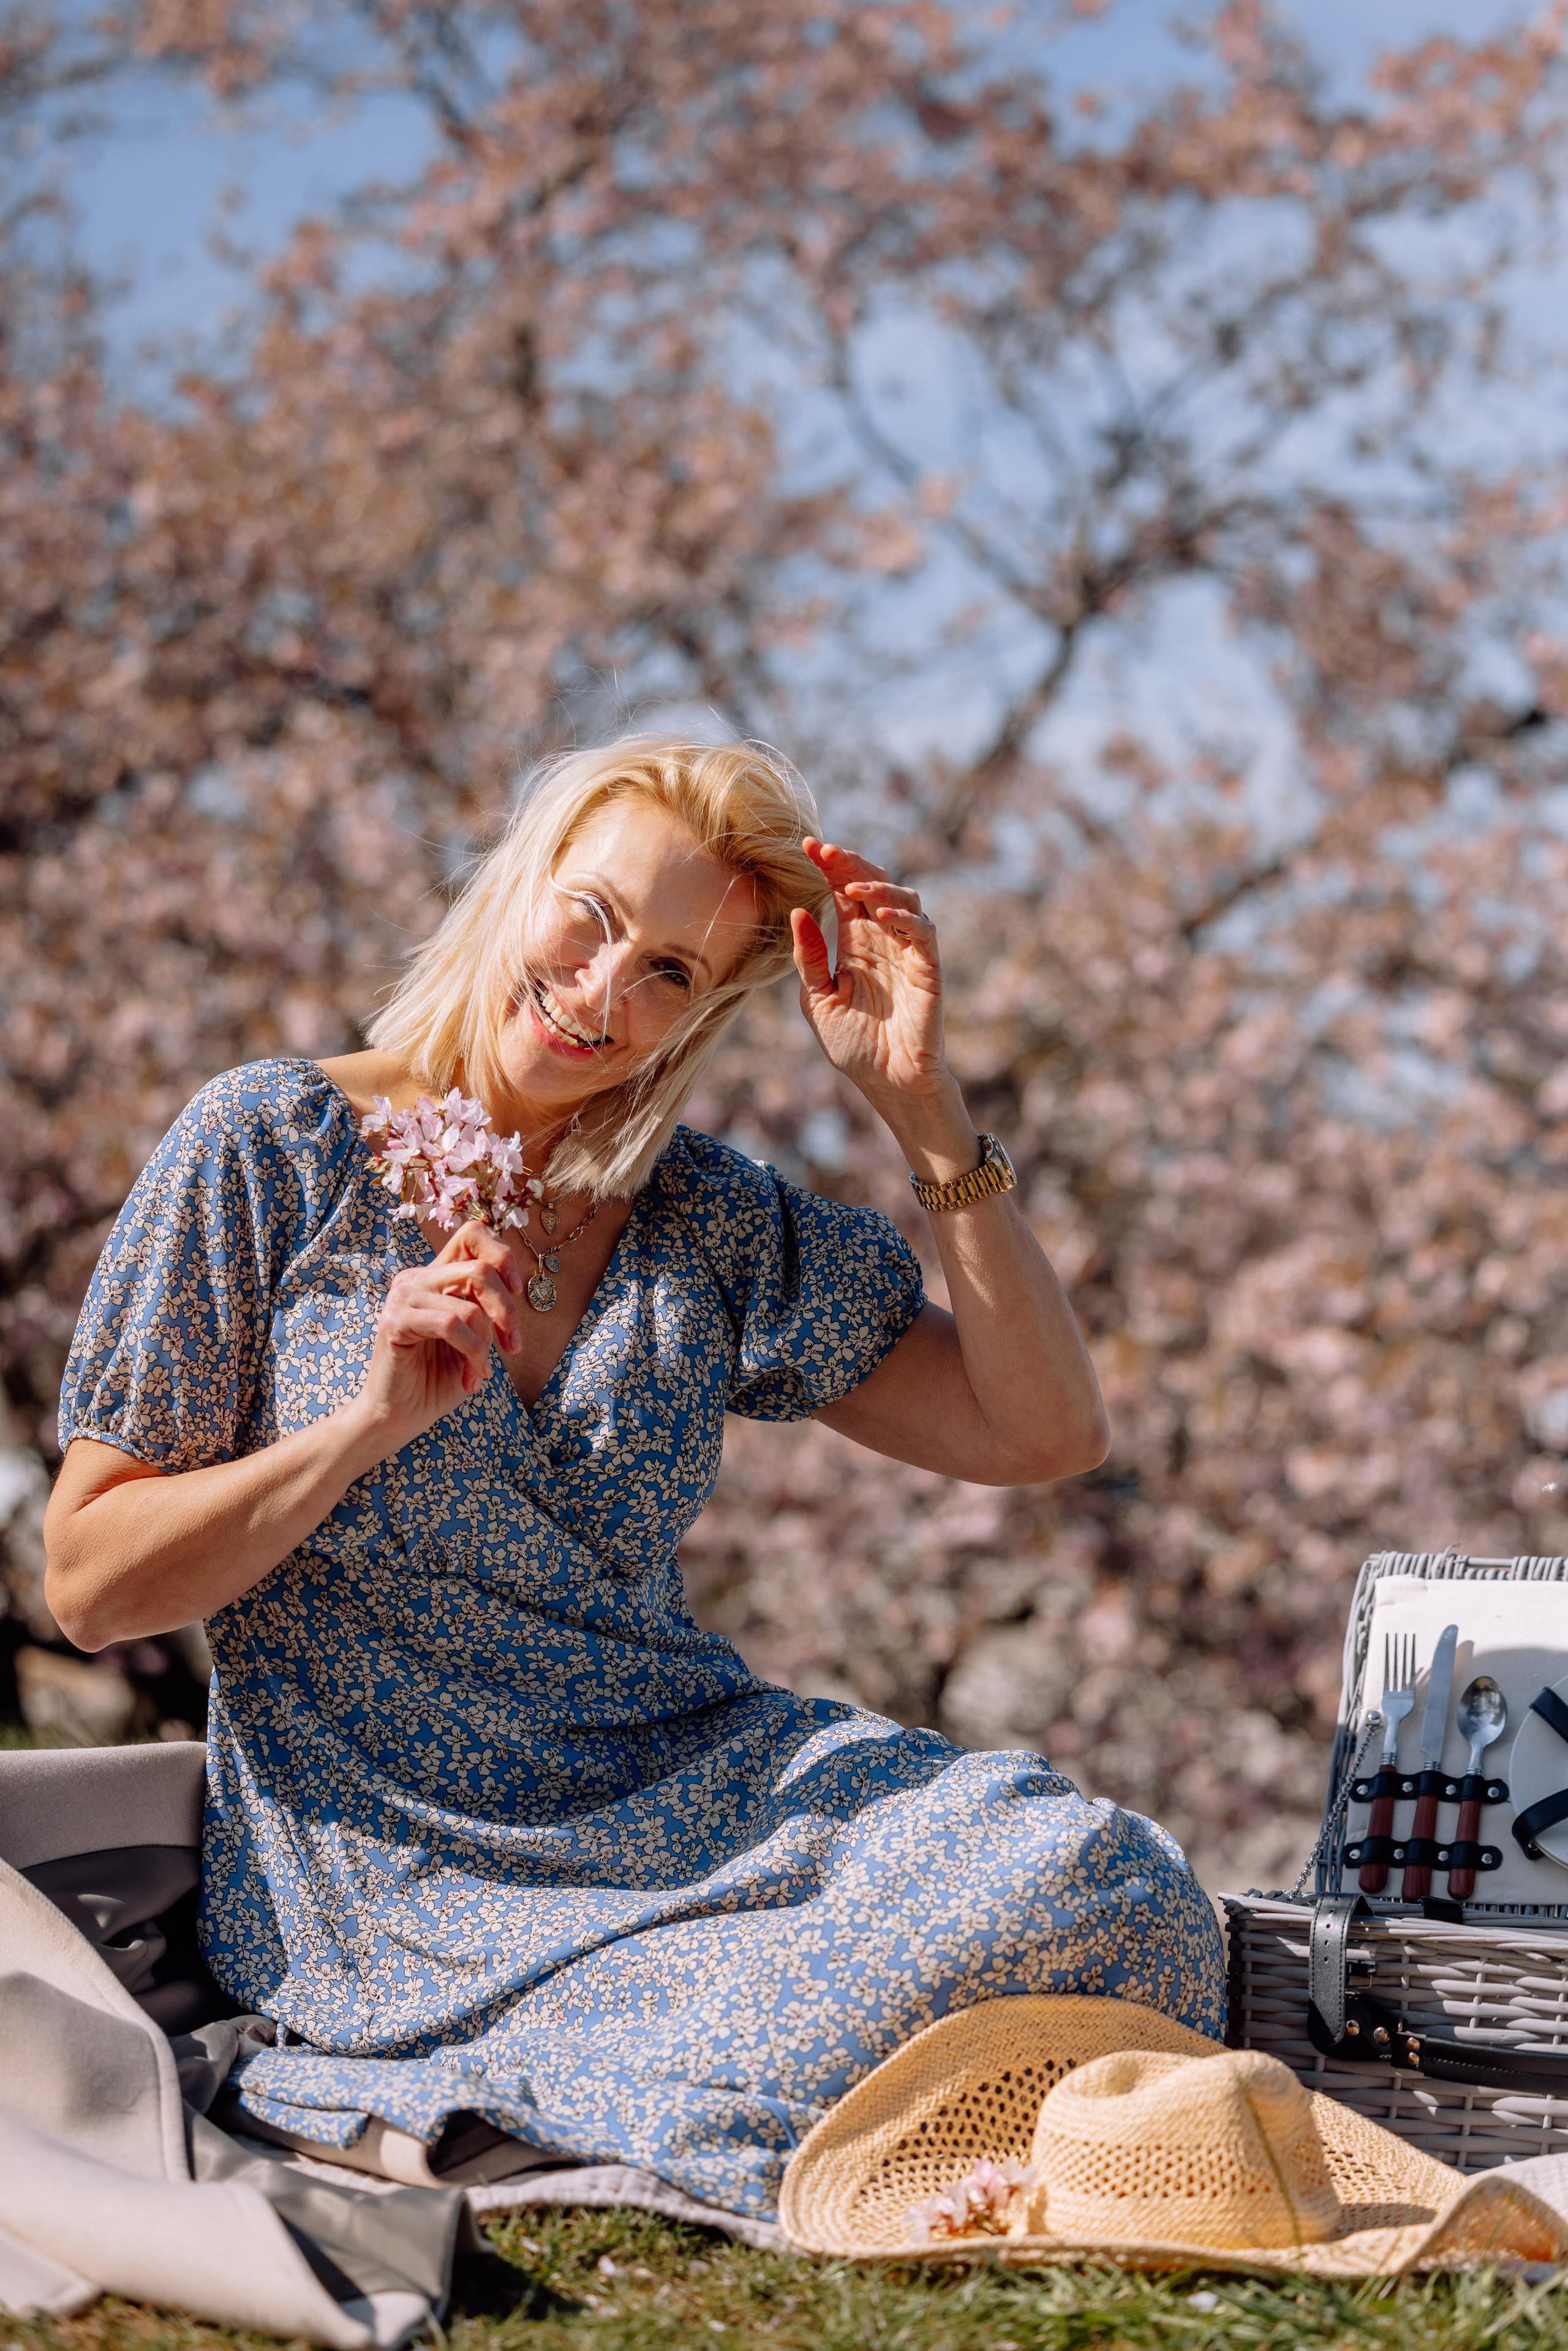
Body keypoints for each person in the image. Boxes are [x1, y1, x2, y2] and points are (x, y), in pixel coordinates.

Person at [45, 734, 1223, 2221]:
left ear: (704, 1012)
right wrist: (357, 1430)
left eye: (669, 971)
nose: (604, 991)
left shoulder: (702, 1217)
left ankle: (857, 2090)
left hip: (699, 1780)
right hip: (404, 1876)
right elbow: (88, 1585)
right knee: (812, 2029)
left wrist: (919, 1105)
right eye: (588, 916)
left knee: (1116, 1884)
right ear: (516, 880)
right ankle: (800, 2095)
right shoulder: (268, 1147)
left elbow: (1040, 1430)